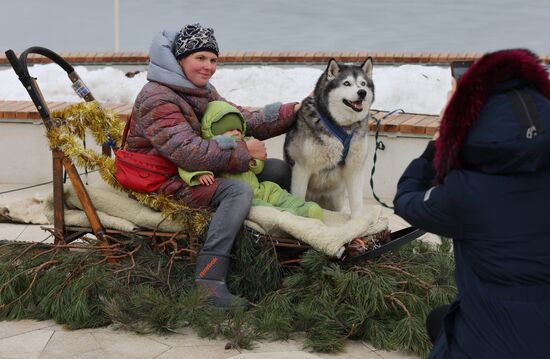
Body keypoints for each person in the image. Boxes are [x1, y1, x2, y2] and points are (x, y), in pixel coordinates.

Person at [124, 23, 301, 308]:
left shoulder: (200, 90)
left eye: (213, 59)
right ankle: (208, 281)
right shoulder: (157, 97)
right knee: (236, 192)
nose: (208, 67)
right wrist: (246, 151)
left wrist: (292, 111)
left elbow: (240, 119)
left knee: (278, 170)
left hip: (198, 172)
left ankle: (274, 251)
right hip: (162, 180)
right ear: (180, 59)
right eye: (200, 58)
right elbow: (188, 153)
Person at [393, 48, 550, 358]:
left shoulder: (467, 193)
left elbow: (406, 200)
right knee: (442, 318)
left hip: (491, 346)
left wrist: (438, 146)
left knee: (444, 322)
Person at [178, 100, 323, 220]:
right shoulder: (207, 149)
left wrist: (252, 160)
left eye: (238, 129)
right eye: (229, 129)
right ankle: (285, 216)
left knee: (275, 192)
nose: (236, 132)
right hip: (240, 196)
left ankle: (304, 209)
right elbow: (187, 165)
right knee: (260, 207)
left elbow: (259, 168)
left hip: (258, 188)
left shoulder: (246, 143)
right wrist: (198, 175)